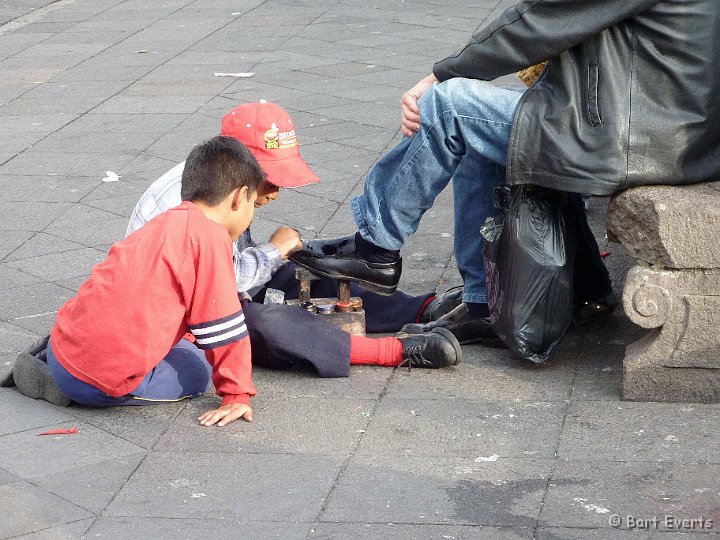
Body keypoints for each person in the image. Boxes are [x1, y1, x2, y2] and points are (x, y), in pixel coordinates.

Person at [289, 0, 720, 343]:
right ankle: (485, 302)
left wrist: (442, 74)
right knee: (476, 129)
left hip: (638, 136)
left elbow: (539, 20)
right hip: (658, 129)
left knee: (449, 106)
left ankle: (376, 249)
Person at [7, 136, 463, 423]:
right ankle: (75, 388)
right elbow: (223, 325)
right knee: (195, 367)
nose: (271, 199)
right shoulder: (206, 238)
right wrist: (236, 394)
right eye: (262, 193)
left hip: (69, 345)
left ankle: (58, 369)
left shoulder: (170, 219)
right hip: (98, 380)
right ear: (240, 194)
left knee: (189, 339)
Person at [126, 100, 464, 376]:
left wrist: (279, 257)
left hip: (213, 286)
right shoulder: (195, 202)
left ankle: (424, 309)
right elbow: (223, 285)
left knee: (302, 273)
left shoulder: (225, 181)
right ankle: (392, 351)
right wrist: (274, 249)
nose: (276, 194)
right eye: (271, 181)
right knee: (264, 322)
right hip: (179, 318)